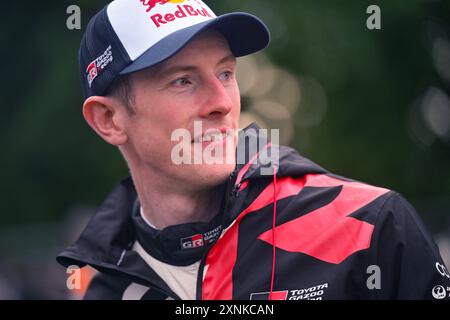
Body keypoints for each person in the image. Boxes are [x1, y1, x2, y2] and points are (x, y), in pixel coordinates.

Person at [57, 0, 450, 300]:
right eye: (182, 81)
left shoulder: (372, 227)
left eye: (226, 73)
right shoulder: (98, 283)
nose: (223, 102)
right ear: (109, 120)